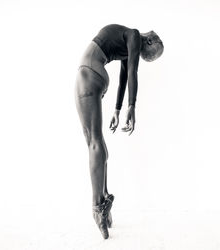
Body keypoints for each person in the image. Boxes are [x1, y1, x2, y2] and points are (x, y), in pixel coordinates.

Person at [74, 24, 164, 239]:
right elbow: (129, 73)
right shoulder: (133, 35)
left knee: (93, 142)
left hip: (89, 73)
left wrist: (128, 106)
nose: (148, 59)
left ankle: (97, 208)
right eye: (151, 56)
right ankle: (103, 199)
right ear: (149, 41)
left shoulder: (128, 40)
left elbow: (128, 72)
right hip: (97, 75)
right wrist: (120, 109)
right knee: (99, 143)